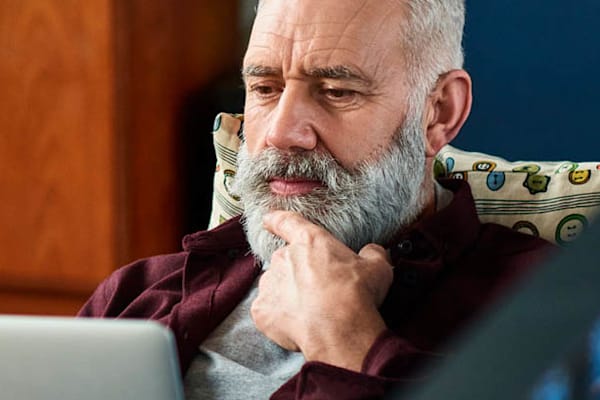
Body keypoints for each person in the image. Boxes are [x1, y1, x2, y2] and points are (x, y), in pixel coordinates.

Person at [79, 0, 554, 398]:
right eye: (264, 89)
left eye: (335, 91)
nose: (281, 134)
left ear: (438, 113)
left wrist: (347, 343)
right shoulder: (137, 295)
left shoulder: (546, 305)